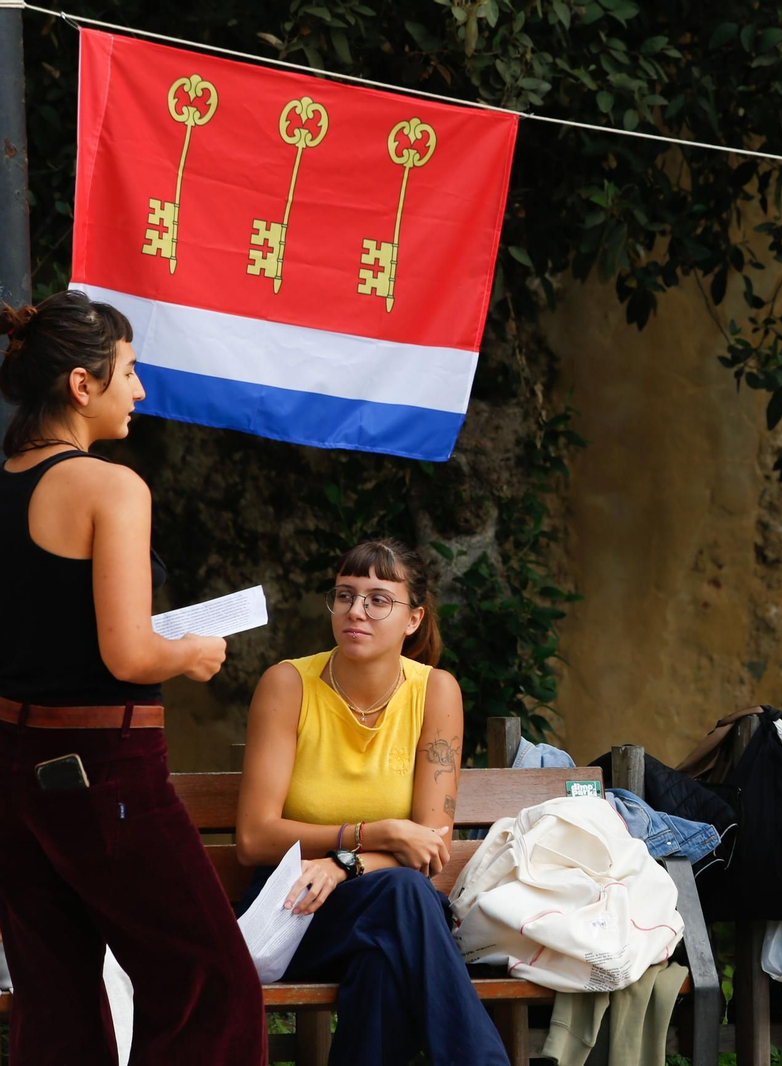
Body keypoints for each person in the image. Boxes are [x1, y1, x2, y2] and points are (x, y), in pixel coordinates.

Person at [0, 291, 266, 1064]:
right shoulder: (111, 487)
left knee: (55, 1006)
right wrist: (189, 653)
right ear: (82, 385)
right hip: (103, 768)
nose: (140, 390)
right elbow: (128, 656)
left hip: (13, 771)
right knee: (211, 988)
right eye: (129, 371)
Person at [235, 538, 509, 1066]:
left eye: (378, 599)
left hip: (389, 905)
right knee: (406, 899)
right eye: (345, 595)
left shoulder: (435, 692)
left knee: (384, 957)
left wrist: (345, 863)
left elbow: (430, 847)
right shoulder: (288, 684)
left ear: (413, 619)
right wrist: (372, 834)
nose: (356, 611)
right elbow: (253, 838)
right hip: (294, 911)